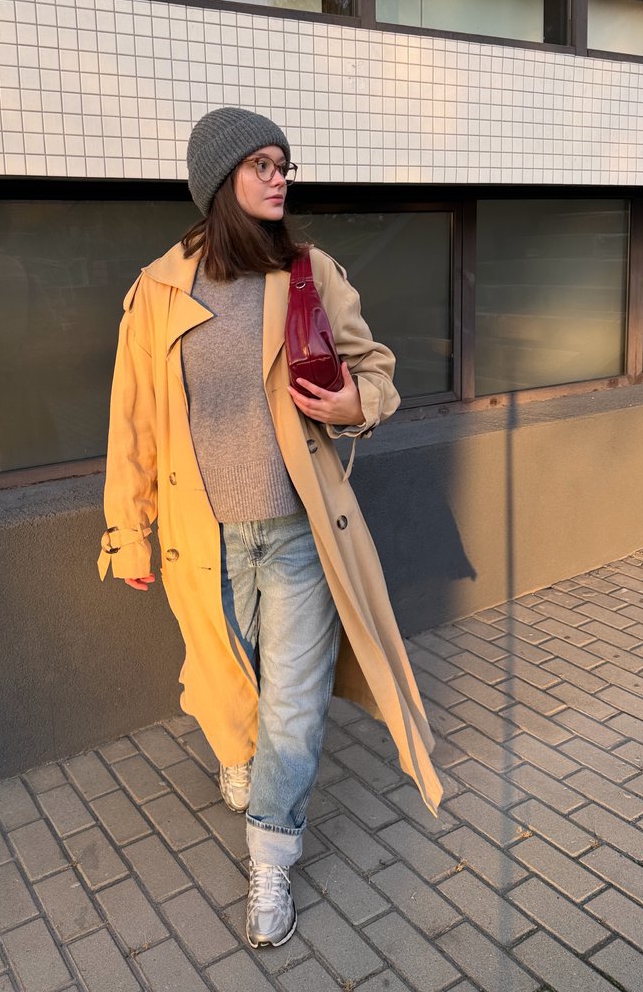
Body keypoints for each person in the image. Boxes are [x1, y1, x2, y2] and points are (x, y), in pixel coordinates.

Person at [99, 107, 442, 948]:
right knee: (230, 681)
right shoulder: (158, 290)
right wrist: (128, 530)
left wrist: (356, 401)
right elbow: (133, 423)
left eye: (283, 163)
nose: (279, 176)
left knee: (292, 703)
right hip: (203, 537)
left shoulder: (307, 271)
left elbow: (374, 366)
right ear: (220, 181)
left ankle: (271, 855)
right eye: (260, 164)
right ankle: (237, 750)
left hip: (298, 531)